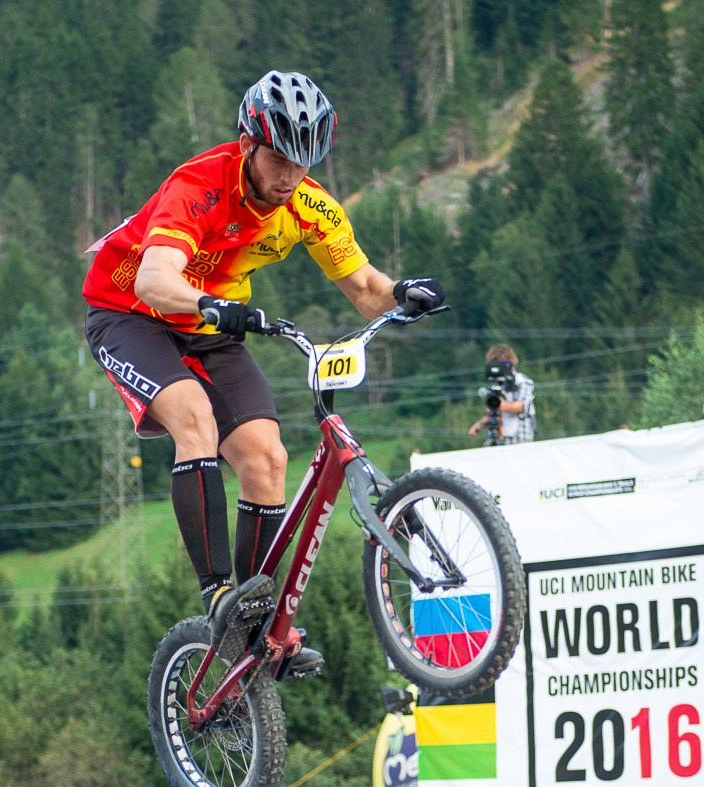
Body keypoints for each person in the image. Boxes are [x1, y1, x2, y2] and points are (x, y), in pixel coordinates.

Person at [80, 69, 442, 671]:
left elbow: (364, 288)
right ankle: (218, 593)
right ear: (247, 144)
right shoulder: (198, 185)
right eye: (278, 160)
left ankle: (251, 626)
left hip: (211, 325)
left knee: (267, 458)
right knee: (193, 416)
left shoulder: (306, 205)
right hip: (130, 313)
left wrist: (403, 291)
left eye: (304, 164)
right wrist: (209, 303)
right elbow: (152, 278)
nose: (290, 178)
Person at [466, 343, 535, 445]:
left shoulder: (522, 381)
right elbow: (492, 413)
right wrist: (479, 425)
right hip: (498, 438)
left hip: (519, 438)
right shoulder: (495, 384)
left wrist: (502, 405)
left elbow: (520, 406)